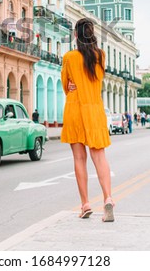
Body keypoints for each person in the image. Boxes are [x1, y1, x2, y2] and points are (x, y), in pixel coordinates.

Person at [61, 18, 114, 222]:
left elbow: (66, 86)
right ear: (92, 35)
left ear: (76, 35)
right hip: (94, 110)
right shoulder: (100, 55)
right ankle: (108, 198)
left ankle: (85, 204)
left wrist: (74, 85)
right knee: (99, 157)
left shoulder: (69, 57)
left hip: (75, 108)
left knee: (79, 159)